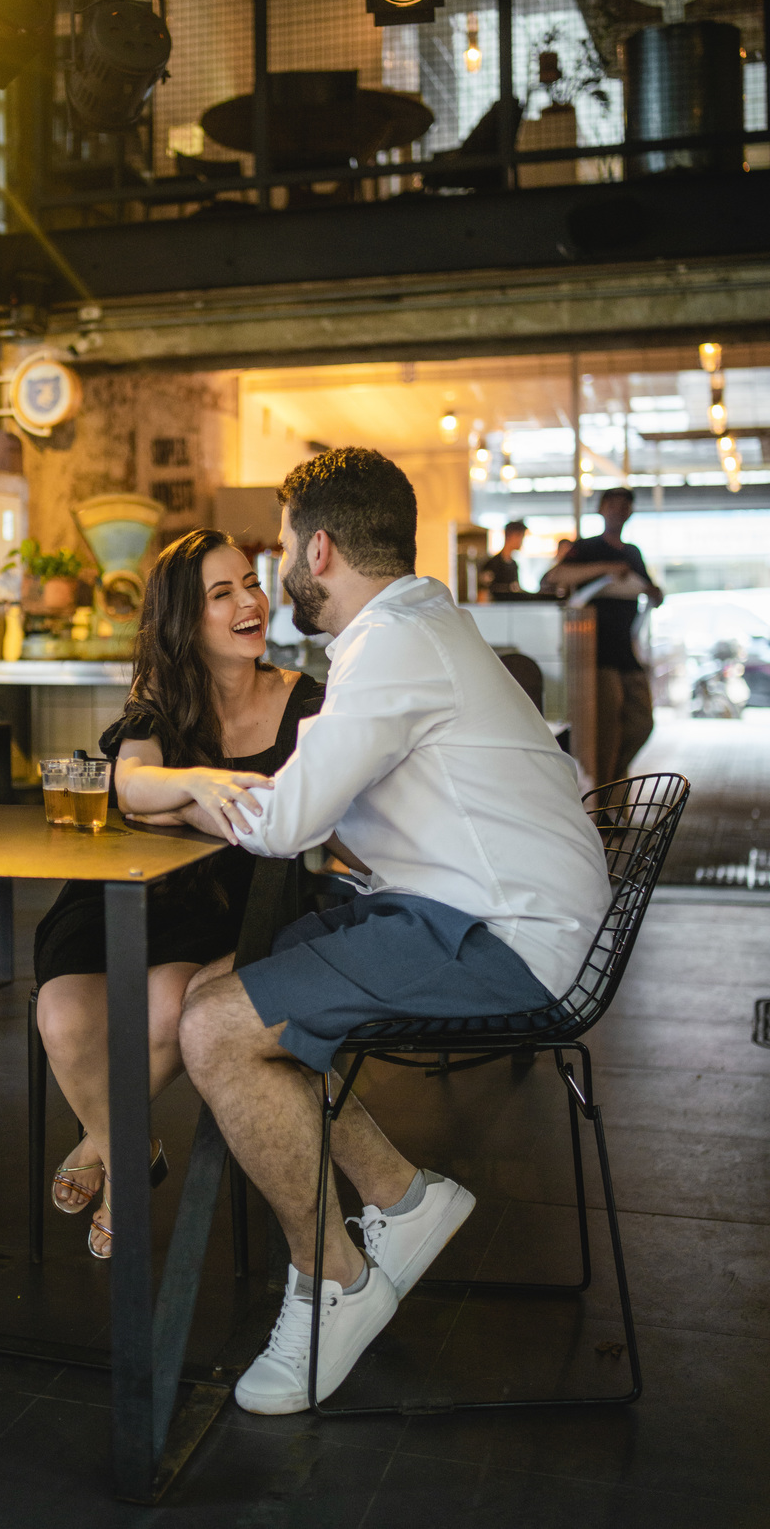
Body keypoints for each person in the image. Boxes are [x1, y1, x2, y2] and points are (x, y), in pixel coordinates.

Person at [176, 447, 612, 1415]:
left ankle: (335, 1283)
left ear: (318, 548)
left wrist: (169, 789)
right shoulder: (414, 626)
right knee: (220, 989)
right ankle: (406, 1199)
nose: (279, 565)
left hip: (504, 936)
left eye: (282, 546)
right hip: (477, 907)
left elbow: (286, 823)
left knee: (214, 1027)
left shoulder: (393, 646)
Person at [34, 528, 324, 1259]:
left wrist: (180, 808)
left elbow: (286, 813)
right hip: (133, 893)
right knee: (61, 1014)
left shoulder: (305, 700)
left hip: (225, 907)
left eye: (250, 584)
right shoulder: (160, 701)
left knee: (169, 1003)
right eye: (221, 594)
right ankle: (127, 1149)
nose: (249, 602)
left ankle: (107, 1151)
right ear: (184, 622)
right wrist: (196, 784)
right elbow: (131, 783)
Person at [544, 487, 664, 784]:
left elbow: (649, 589)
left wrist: (654, 592)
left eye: (625, 506)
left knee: (641, 722)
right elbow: (554, 577)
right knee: (606, 729)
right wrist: (606, 569)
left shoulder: (632, 553)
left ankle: (611, 783)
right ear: (601, 509)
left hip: (627, 649)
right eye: (612, 505)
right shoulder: (587, 547)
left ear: (630, 512)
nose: (618, 511)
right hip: (595, 651)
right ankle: (605, 796)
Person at [477, 519, 528, 599]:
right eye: (521, 537)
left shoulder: (513, 565)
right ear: (511, 536)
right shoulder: (492, 564)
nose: (522, 541)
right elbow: (483, 593)